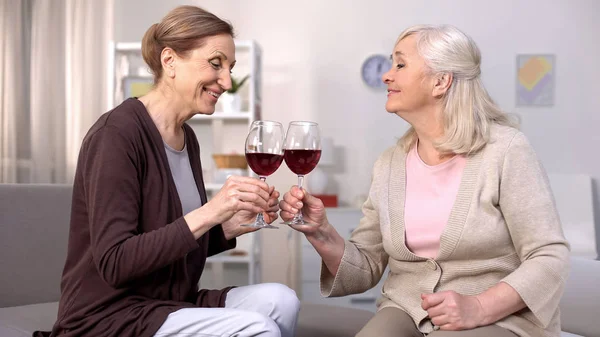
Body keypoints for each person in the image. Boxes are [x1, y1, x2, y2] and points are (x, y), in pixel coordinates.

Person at [280, 24, 569, 337]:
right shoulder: (389, 164)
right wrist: (321, 232)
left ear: (440, 81)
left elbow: (549, 256)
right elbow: (366, 268)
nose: (386, 76)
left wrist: (480, 307)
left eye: (400, 64)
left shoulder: (506, 150)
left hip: (499, 317)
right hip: (405, 308)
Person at [36, 6, 299, 337]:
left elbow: (169, 239)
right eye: (216, 64)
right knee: (257, 326)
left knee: (282, 300)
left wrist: (228, 227)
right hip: (110, 314)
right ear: (170, 60)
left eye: (230, 68)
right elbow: (115, 262)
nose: (227, 81)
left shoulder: (186, 137)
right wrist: (211, 212)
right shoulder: (116, 134)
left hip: (168, 302)